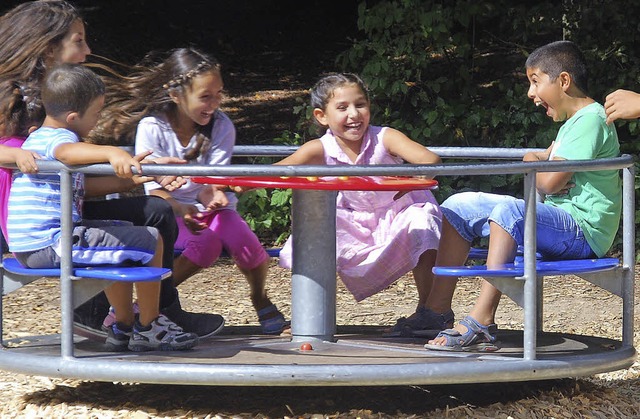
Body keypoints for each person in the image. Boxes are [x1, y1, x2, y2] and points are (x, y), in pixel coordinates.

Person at [0, 0, 225, 339]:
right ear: (47, 48)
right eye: (78, 40)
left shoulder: (64, 100)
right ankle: (110, 316)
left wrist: (142, 170)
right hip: (29, 219)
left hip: (61, 204)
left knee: (156, 210)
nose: (88, 51)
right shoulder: (12, 98)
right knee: (140, 226)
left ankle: (154, 313)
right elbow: (59, 153)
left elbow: (76, 172)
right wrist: (17, 157)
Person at [424, 40, 622, 352]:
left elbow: (546, 182)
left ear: (564, 80)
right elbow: (545, 172)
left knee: (510, 212)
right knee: (458, 206)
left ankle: (482, 319)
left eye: (535, 81)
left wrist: (537, 165)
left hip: (582, 232)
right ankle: (434, 312)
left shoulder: (591, 120)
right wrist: (538, 164)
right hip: (560, 227)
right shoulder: (573, 125)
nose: (530, 94)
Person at [8, 63, 199, 351]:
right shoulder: (59, 140)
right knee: (152, 239)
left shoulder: (38, 137)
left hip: (39, 244)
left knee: (121, 236)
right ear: (73, 117)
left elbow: (86, 187)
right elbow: (68, 153)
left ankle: (122, 326)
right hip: (51, 244)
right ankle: (149, 326)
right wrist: (112, 152)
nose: (97, 122)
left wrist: (133, 178)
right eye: (96, 114)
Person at [96, 47, 288, 335]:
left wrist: (212, 192)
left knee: (248, 244)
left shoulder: (221, 124)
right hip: (169, 209)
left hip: (211, 209)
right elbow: (153, 189)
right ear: (176, 95)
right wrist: (181, 207)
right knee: (206, 244)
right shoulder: (152, 126)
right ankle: (154, 301)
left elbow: (217, 177)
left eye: (219, 94)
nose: (215, 103)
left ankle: (259, 296)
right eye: (205, 96)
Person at [275, 73, 443, 328]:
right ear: (322, 116)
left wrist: (411, 179)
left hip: (398, 214)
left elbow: (429, 160)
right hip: (356, 221)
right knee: (314, 229)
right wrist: (230, 183)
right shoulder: (318, 149)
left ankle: (428, 310)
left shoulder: (385, 138)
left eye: (360, 104)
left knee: (423, 220)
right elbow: (277, 171)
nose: (354, 114)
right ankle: (306, 318)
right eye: (342, 107)